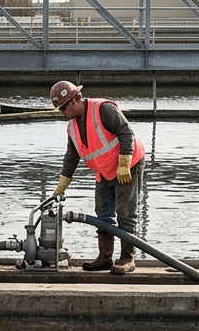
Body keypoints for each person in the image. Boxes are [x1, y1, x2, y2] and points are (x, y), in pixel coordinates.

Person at [49, 80, 146, 274]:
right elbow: (72, 157)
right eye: (59, 109)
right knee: (103, 215)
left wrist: (124, 165)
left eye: (64, 107)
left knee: (126, 215)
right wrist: (61, 187)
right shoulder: (72, 128)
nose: (62, 113)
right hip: (104, 172)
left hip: (128, 166)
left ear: (76, 99)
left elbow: (126, 133)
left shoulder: (104, 109)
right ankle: (105, 258)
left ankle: (128, 259)